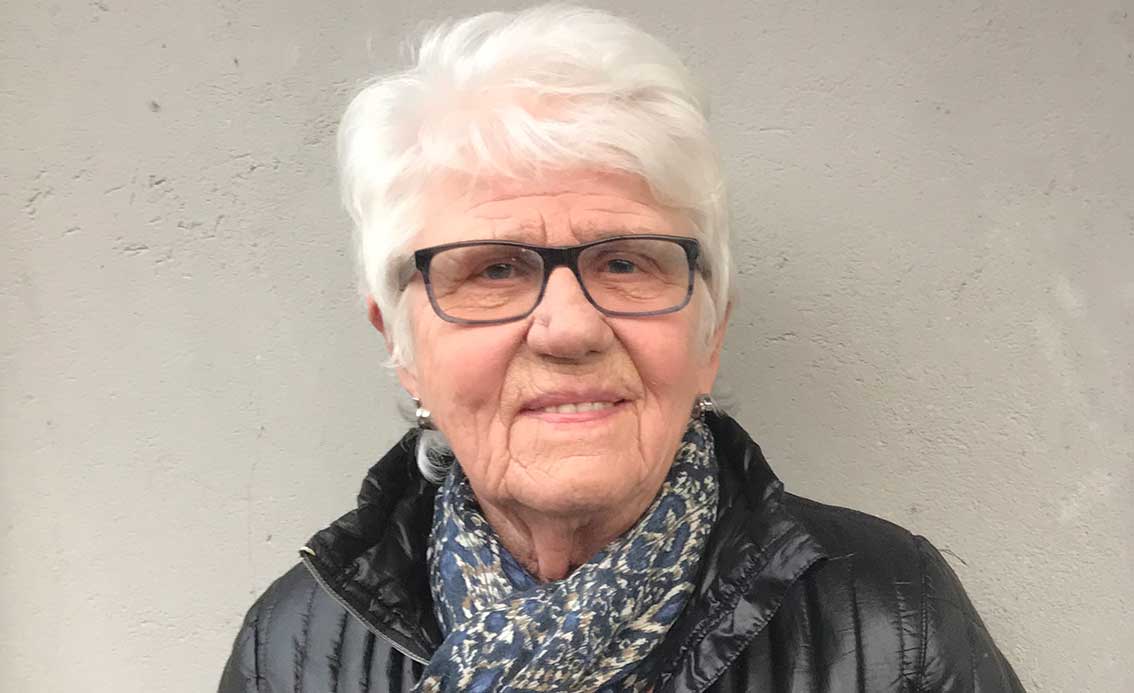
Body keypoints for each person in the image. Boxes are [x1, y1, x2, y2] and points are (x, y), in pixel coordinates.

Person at [218, 5, 1024, 692]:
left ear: (710, 332)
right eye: (493, 269)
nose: (570, 328)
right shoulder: (290, 650)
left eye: (627, 262)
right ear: (401, 345)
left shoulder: (896, 621)